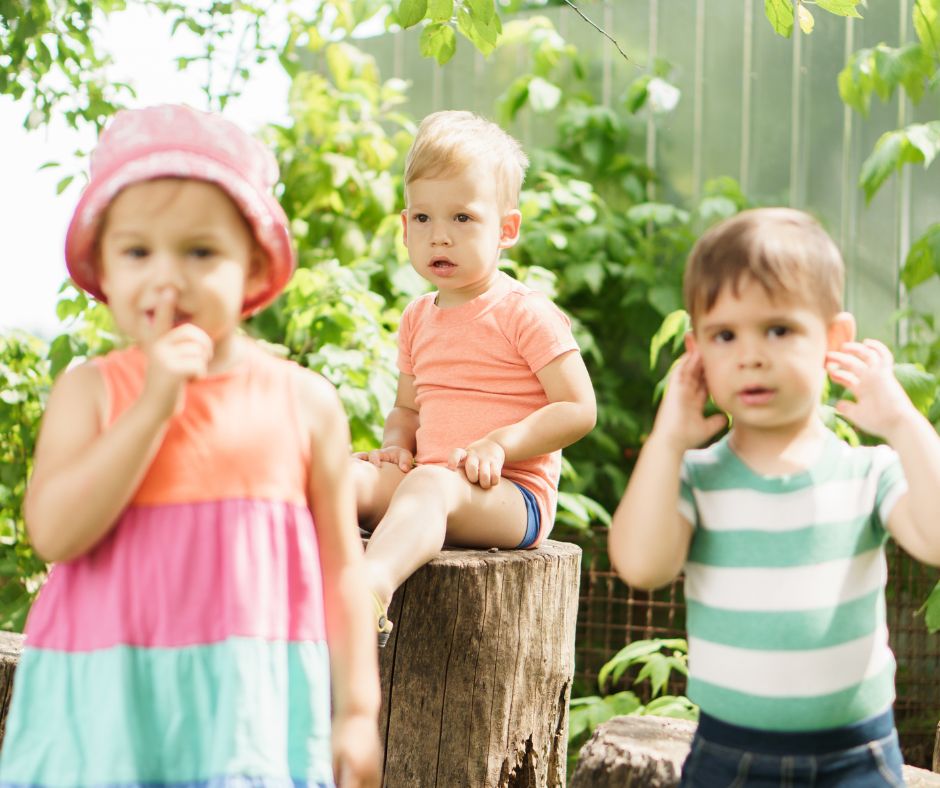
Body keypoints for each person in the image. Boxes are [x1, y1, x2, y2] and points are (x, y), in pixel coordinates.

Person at [0, 104, 381, 788]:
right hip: (107, 717)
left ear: (254, 267)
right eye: (138, 251)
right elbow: (54, 533)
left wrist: (356, 710)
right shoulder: (90, 393)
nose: (167, 276)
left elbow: (342, 574)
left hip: (244, 720)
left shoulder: (305, 403)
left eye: (201, 252)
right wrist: (151, 409)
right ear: (104, 272)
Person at [609, 207, 940, 786]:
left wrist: (904, 423)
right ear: (697, 353)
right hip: (728, 756)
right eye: (725, 335)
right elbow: (640, 565)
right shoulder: (694, 478)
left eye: (779, 330)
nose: (751, 354)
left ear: (834, 339)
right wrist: (666, 440)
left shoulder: (867, 472)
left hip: (855, 755)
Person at [352, 110, 596, 645]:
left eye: (462, 218)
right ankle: (281, 584)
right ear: (405, 224)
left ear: (506, 229)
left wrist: (502, 444)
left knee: (430, 485)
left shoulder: (523, 312)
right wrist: (394, 444)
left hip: (511, 498)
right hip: (431, 480)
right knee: (344, 475)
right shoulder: (419, 316)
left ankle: (369, 589)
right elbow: (409, 409)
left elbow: (579, 408)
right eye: (423, 220)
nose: (440, 237)